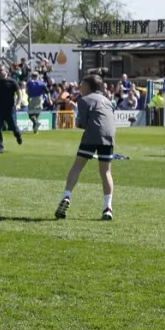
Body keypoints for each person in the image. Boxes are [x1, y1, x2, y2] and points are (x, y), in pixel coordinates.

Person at [54, 73, 116, 220]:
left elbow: (80, 124)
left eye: (82, 84)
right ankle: (108, 207)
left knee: (77, 167)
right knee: (106, 172)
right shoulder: (108, 100)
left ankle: (67, 196)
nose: (80, 87)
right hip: (109, 136)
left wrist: (76, 111)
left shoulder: (84, 100)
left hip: (92, 135)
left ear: (88, 86)